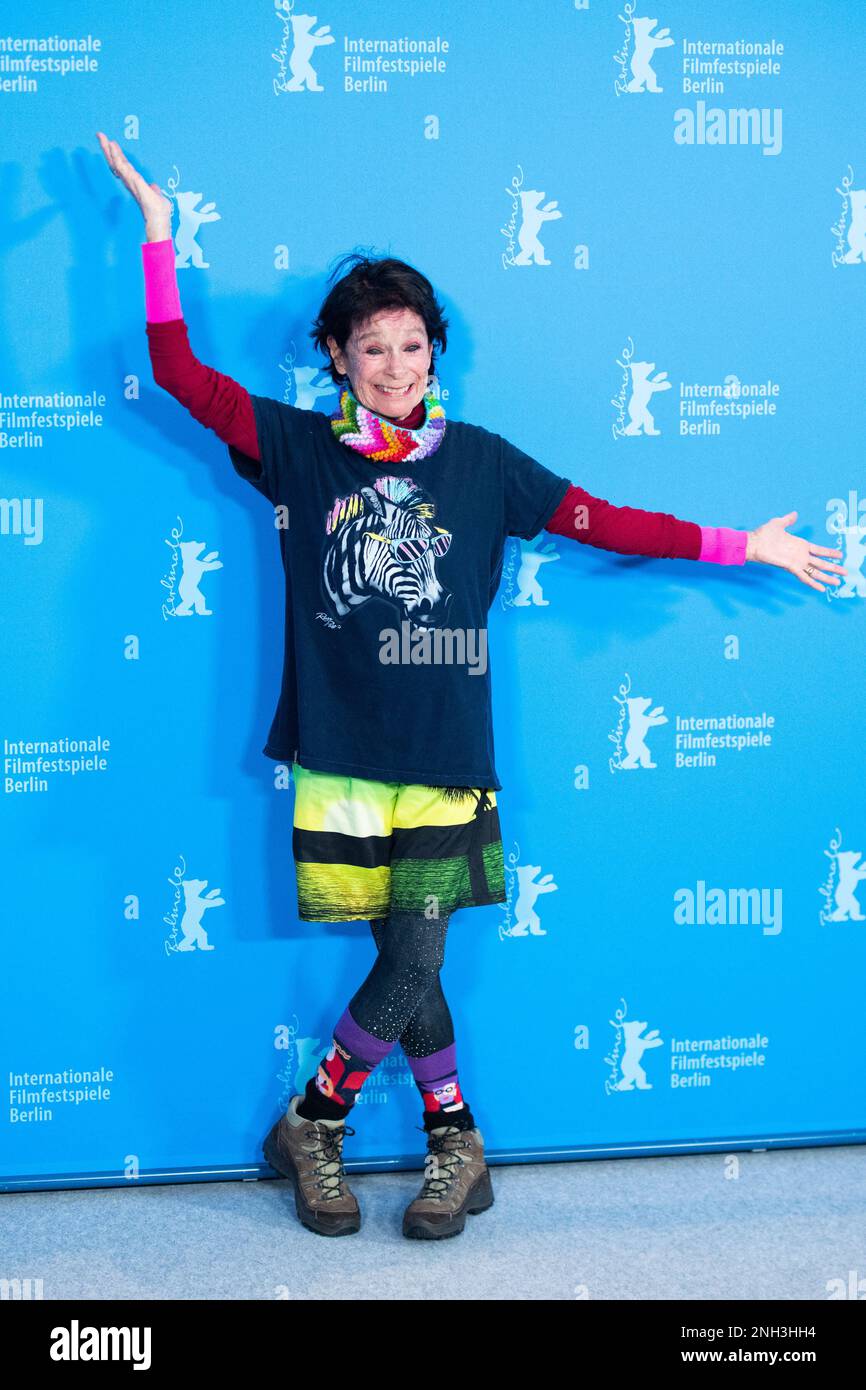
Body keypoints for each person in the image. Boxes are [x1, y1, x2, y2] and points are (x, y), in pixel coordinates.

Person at [96, 132, 846, 1242]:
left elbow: (605, 521)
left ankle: (313, 1120)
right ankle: (458, 1139)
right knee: (404, 961)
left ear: (433, 353)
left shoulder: (482, 461)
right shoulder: (297, 448)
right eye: (371, 347)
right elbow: (180, 376)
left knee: (415, 953)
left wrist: (744, 545)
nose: (394, 365)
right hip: (340, 752)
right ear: (337, 357)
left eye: (411, 344)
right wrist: (159, 235)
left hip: (446, 751)